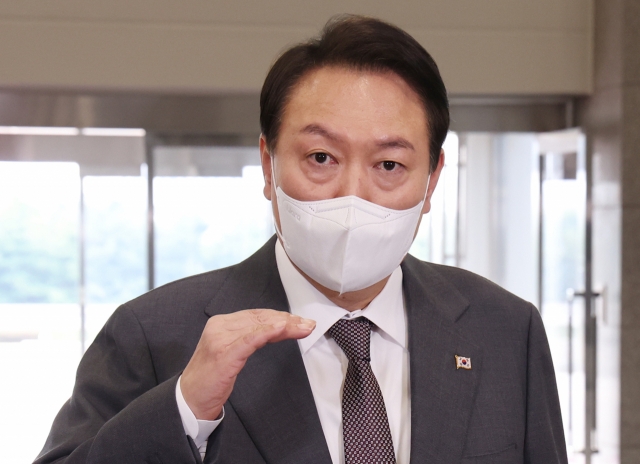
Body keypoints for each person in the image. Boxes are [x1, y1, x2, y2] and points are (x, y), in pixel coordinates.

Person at [35, 15, 567, 464]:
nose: (353, 196)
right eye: (320, 159)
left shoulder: (503, 330)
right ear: (268, 165)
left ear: (431, 180)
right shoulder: (154, 334)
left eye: (389, 164)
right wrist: (183, 410)